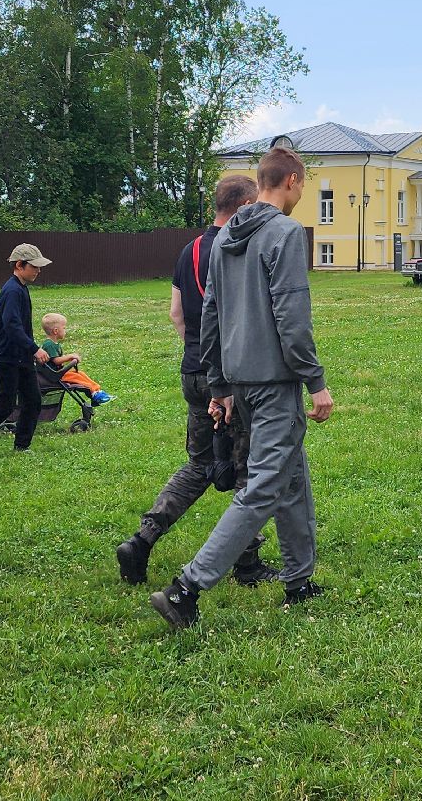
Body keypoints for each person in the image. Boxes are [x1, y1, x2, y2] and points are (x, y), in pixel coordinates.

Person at [150, 146, 334, 628]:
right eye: (305, 183)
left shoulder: (226, 234)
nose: (302, 192)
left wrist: (220, 385)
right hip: (274, 384)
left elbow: (208, 315)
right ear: (291, 180)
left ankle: (299, 580)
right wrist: (315, 382)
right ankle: (186, 589)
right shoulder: (286, 234)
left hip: (240, 383)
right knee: (263, 487)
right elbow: (292, 317)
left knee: (290, 477)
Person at [116, 175, 278, 588]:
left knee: (201, 463)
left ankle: (142, 539)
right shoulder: (238, 247)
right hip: (233, 377)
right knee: (247, 470)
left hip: (195, 371)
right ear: (243, 206)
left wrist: (198, 354)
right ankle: (247, 566)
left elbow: (176, 313)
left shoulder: (189, 250)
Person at [0, 244, 52, 452]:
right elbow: (12, 326)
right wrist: (34, 349)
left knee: (32, 401)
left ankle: (21, 446)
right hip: (7, 357)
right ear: (20, 265)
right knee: (2, 407)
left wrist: (28, 351)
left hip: (20, 357)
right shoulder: (12, 290)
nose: (38, 271)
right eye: (35, 266)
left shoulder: (20, 287)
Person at [39, 313, 114, 405]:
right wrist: (70, 357)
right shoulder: (49, 344)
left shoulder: (54, 344)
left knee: (80, 374)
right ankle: (94, 394)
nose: (65, 330)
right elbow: (56, 360)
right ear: (56, 331)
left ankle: (97, 391)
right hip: (55, 375)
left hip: (59, 373)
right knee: (77, 377)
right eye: (64, 328)